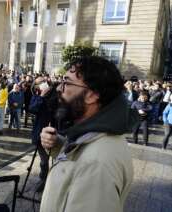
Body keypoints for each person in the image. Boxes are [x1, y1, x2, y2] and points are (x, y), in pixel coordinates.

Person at [39, 56, 137, 212]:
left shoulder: (97, 166)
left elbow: (88, 163)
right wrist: (60, 145)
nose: (58, 89)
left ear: (91, 95)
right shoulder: (99, 136)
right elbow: (79, 163)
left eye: (66, 83)